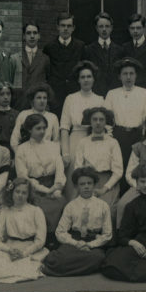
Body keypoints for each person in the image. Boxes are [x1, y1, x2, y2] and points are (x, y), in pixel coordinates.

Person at [42, 167, 113, 276]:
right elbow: (60, 232)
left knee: (99, 257)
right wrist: (76, 243)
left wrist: (90, 245)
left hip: (93, 242)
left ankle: (69, 269)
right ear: (76, 186)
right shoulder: (71, 206)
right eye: (82, 184)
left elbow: (107, 234)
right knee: (56, 258)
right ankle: (85, 268)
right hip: (75, 241)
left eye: (89, 183)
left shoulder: (103, 206)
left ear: (94, 185)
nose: (86, 187)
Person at [0, 178, 48, 283]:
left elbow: (40, 241)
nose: (20, 195)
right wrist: (8, 250)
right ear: (12, 192)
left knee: (25, 266)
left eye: (24, 193)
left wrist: (24, 252)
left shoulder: (36, 211)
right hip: (11, 247)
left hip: (30, 248)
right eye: (17, 192)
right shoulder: (6, 211)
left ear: (28, 195)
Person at [15, 113, 67, 243]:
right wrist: (44, 190)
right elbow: (23, 176)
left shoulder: (53, 146)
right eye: (38, 128)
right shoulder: (22, 149)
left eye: (44, 128)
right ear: (29, 130)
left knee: (61, 203)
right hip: (33, 188)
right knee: (39, 209)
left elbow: (60, 170)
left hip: (53, 185)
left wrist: (57, 188)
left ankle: (55, 239)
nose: (42, 131)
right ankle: (41, 240)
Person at [105, 57, 146, 185]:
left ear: (136, 75)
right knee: (118, 168)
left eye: (131, 73)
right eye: (125, 74)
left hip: (137, 136)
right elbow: (107, 120)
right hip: (118, 136)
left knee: (135, 169)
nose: (128, 77)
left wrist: (144, 138)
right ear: (119, 77)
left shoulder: (145, 93)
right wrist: (110, 138)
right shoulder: (112, 94)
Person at [59, 61, 104, 193]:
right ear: (78, 80)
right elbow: (64, 127)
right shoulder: (70, 99)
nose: (86, 80)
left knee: (91, 177)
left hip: (94, 140)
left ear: (94, 79)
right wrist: (66, 153)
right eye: (82, 77)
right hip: (75, 141)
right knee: (74, 179)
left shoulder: (100, 99)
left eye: (89, 76)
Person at [73, 107, 124, 211]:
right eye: (94, 119)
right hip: (87, 181)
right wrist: (86, 185)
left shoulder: (113, 142)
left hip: (107, 182)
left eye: (101, 120)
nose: (98, 123)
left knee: (107, 208)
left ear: (105, 122)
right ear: (90, 122)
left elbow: (118, 171)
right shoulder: (83, 142)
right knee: (81, 208)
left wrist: (104, 189)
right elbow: (78, 168)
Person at [43, 13, 86, 117]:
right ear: (57, 27)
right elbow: (47, 72)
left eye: (69, 26)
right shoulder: (49, 47)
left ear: (73, 28)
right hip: (56, 95)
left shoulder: (80, 46)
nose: (66, 29)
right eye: (63, 25)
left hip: (75, 92)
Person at [82, 12, 125, 96]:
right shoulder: (88, 50)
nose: (104, 29)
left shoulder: (120, 50)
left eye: (107, 26)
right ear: (96, 28)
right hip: (95, 93)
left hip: (115, 93)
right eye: (101, 26)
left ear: (111, 28)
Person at [11, 21, 50, 110]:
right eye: (28, 33)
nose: (32, 36)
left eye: (35, 33)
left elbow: (47, 80)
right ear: (24, 36)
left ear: (39, 36)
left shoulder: (45, 59)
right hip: (19, 104)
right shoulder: (14, 58)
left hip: (38, 105)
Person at [10, 83, 60, 150]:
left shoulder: (53, 117)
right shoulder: (23, 114)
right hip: (26, 154)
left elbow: (56, 141)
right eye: (39, 98)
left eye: (45, 98)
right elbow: (14, 140)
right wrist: (20, 154)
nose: (42, 101)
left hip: (46, 154)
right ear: (32, 100)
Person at [122, 14, 146, 91]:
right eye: (132, 28)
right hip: (130, 89)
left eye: (138, 28)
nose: (135, 31)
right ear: (129, 29)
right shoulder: (125, 47)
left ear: (144, 28)